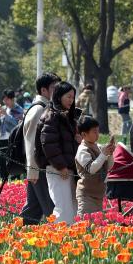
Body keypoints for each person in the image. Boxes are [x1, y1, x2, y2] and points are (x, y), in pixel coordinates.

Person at [37, 81, 81, 224]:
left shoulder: (68, 116)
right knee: (63, 207)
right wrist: (60, 166)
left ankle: (71, 234)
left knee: (73, 206)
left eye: (73, 97)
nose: (71, 100)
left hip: (69, 168)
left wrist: (78, 140)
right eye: (68, 96)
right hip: (58, 169)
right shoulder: (52, 116)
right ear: (59, 96)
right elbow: (49, 144)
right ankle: (59, 234)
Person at [20, 72, 60, 224]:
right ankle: (59, 233)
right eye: (54, 87)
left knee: (33, 208)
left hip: (39, 166)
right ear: (44, 90)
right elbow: (31, 142)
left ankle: (18, 233)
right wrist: (33, 169)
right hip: (39, 167)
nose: (58, 90)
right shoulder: (39, 110)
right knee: (51, 207)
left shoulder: (46, 107)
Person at [75, 116, 113, 216]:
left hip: (98, 194)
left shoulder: (99, 147)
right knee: (85, 222)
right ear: (84, 134)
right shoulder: (82, 150)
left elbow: (109, 167)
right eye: (94, 132)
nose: (97, 134)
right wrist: (104, 154)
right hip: (86, 195)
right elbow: (91, 169)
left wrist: (110, 154)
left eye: (98, 131)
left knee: (96, 224)